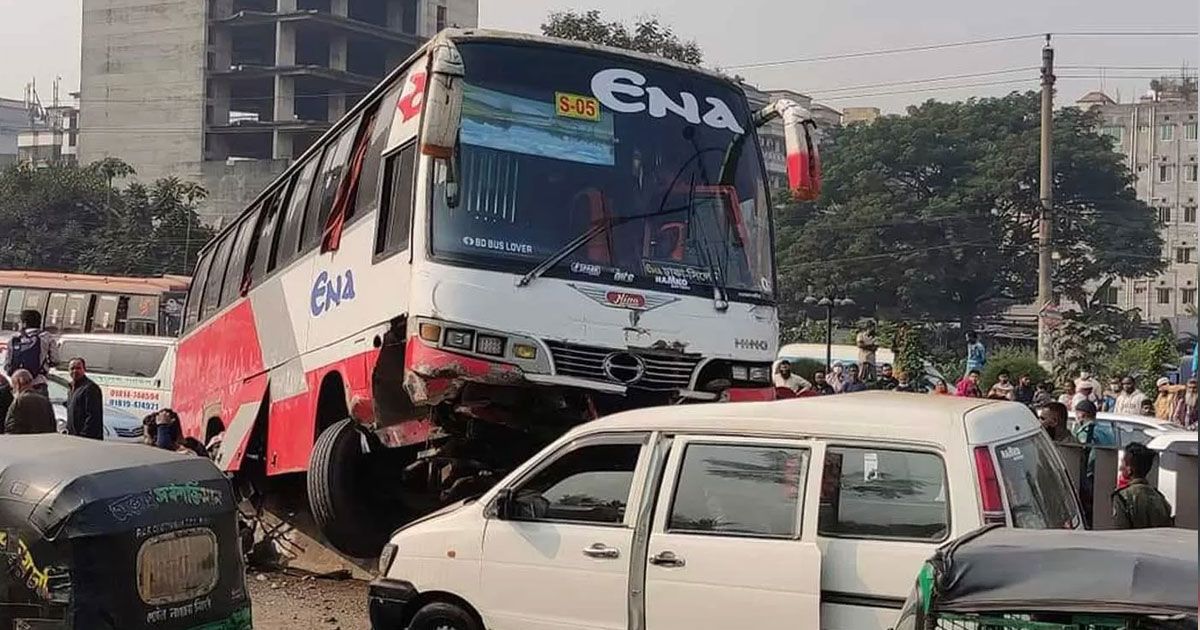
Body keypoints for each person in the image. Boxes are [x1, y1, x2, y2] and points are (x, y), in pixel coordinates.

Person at [1111, 442, 1174, 529]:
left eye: (1123, 463)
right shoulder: (1160, 498)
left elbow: (1120, 531)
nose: (1120, 468)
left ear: (1129, 469)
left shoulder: (1122, 497)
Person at [3, 309, 58, 397]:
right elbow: (55, 360)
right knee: (40, 408)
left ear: (24, 323)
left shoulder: (15, 338)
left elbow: (7, 364)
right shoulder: (46, 337)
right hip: (39, 383)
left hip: (18, 386)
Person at [4, 369, 56, 434]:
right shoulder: (45, 401)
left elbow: (11, 428)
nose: (13, 390)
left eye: (13, 387)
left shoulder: (19, 401)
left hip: (25, 442)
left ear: (18, 384)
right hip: (44, 441)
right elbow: (53, 425)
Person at [65, 357, 104, 440]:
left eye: (78, 368)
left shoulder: (90, 388)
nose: (75, 371)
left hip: (87, 439)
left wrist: (83, 436)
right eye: (72, 368)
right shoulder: (71, 388)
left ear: (84, 369)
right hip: (73, 438)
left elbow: (93, 416)